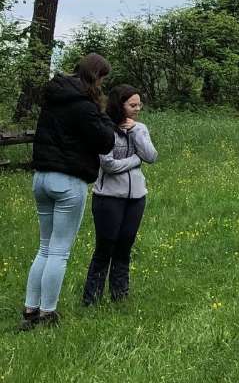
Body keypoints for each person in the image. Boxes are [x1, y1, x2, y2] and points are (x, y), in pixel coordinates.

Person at [22, 53, 116, 330]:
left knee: (44, 247)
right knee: (59, 251)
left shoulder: (53, 98)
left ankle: (30, 310)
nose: (102, 84)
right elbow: (105, 141)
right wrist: (104, 115)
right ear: (96, 77)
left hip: (41, 177)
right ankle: (47, 313)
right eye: (102, 79)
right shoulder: (85, 106)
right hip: (68, 180)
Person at [82, 85, 158, 306]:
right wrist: (135, 160)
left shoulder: (140, 128)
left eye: (139, 104)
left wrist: (135, 133)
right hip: (108, 198)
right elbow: (108, 165)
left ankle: (120, 296)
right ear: (119, 105)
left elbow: (151, 156)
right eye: (132, 105)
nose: (137, 109)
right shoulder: (105, 129)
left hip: (136, 198)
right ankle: (91, 299)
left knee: (125, 246)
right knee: (105, 247)